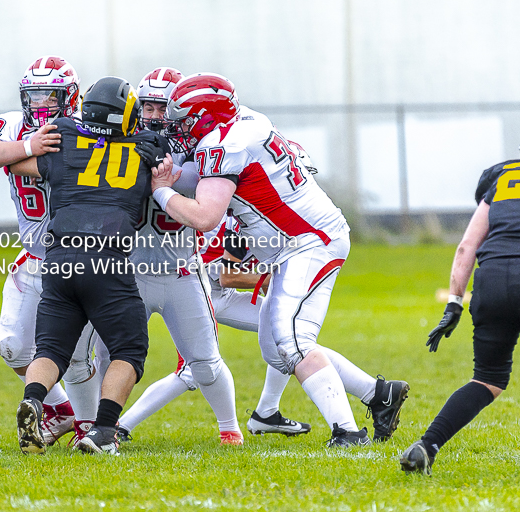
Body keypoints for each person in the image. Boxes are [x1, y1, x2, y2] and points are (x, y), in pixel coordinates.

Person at [152, 73, 409, 446]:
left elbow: (205, 216)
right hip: (292, 245)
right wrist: (173, 176)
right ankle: (378, 394)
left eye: (185, 120)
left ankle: (349, 432)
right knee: (277, 348)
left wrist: (161, 191)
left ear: (205, 117)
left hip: (307, 243)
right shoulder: (245, 123)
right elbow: (200, 176)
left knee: (293, 340)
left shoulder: (222, 146)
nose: (179, 129)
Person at [116, 67, 305, 444]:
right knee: (112, 356)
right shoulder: (122, 146)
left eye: (163, 109)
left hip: (187, 269)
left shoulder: (207, 153)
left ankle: (243, 423)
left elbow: (212, 225)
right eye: (148, 106)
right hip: (131, 268)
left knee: (212, 360)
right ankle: (101, 425)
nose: (155, 118)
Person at [9, 75, 167, 455]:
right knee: (128, 350)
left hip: (60, 259)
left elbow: (16, 166)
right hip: (108, 261)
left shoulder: (64, 139)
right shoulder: (145, 147)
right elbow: (164, 166)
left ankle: (33, 399)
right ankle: (104, 430)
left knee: (50, 349)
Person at [0, 55, 103, 446]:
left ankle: (91, 428)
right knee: (13, 347)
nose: (41, 103)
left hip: (82, 254)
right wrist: (27, 144)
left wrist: (20, 157)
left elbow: (35, 166)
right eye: (34, 94)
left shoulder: (89, 126)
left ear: (71, 96)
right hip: (34, 255)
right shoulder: (14, 124)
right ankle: (61, 410)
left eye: (50, 94)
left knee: (78, 357)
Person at [400, 160, 520, 475]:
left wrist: (454, 304)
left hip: (492, 281)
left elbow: (467, 246)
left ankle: (427, 446)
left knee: (488, 379)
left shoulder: (502, 182)